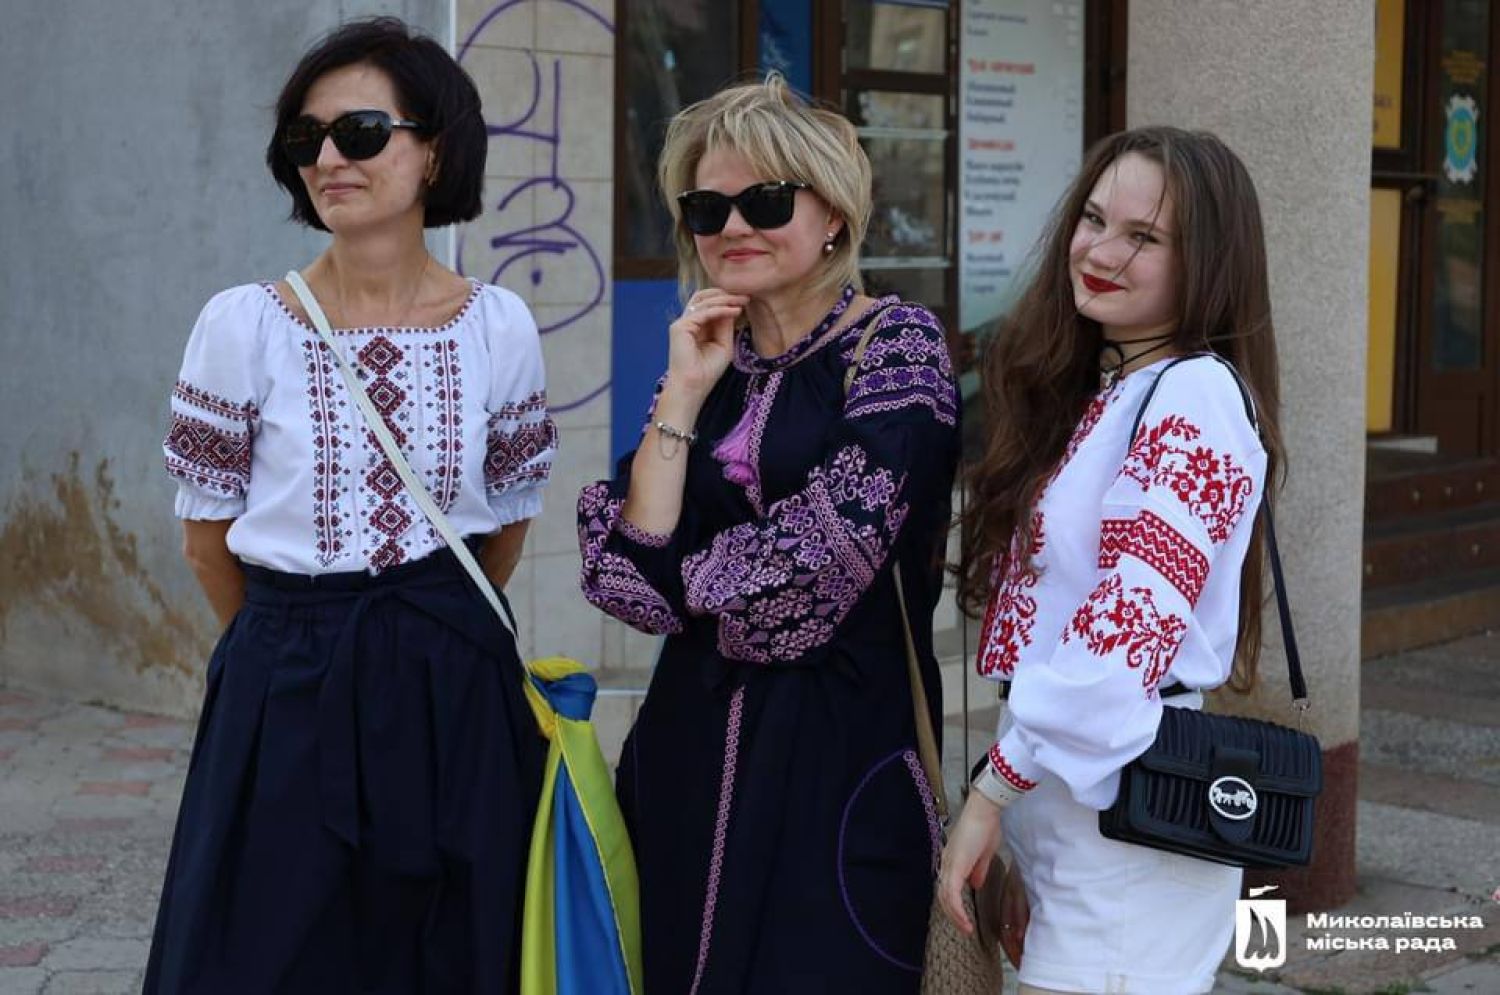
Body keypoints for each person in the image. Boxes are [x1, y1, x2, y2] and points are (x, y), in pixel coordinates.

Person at [146, 18, 555, 993]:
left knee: (456, 945)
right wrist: (298, 652)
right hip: (286, 676)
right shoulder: (241, 324)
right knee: (272, 944)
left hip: (453, 683)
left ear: (436, 149)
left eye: (361, 132)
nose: (328, 157)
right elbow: (208, 540)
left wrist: (428, 639)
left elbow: (505, 522)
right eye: (306, 139)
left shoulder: (499, 326)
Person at [577, 75, 960, 993]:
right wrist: (681, 394)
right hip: (684, 752)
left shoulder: (898, 349)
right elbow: (622, 578)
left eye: (766, 200)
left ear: (834, 213)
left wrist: (682, 578)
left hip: (838, 758)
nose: (733, 226)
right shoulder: (711, 364)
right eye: (709, 207)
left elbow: (810, 579)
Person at [938, 126, 1284, 995]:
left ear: (1208, 261)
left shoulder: (1195, 395)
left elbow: (1124, 632)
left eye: (1145, 237)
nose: (1100, 250)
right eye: (1094, 218)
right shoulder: (1119, 388)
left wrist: (991, 793)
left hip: (1128, 838)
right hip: (1080, 815)